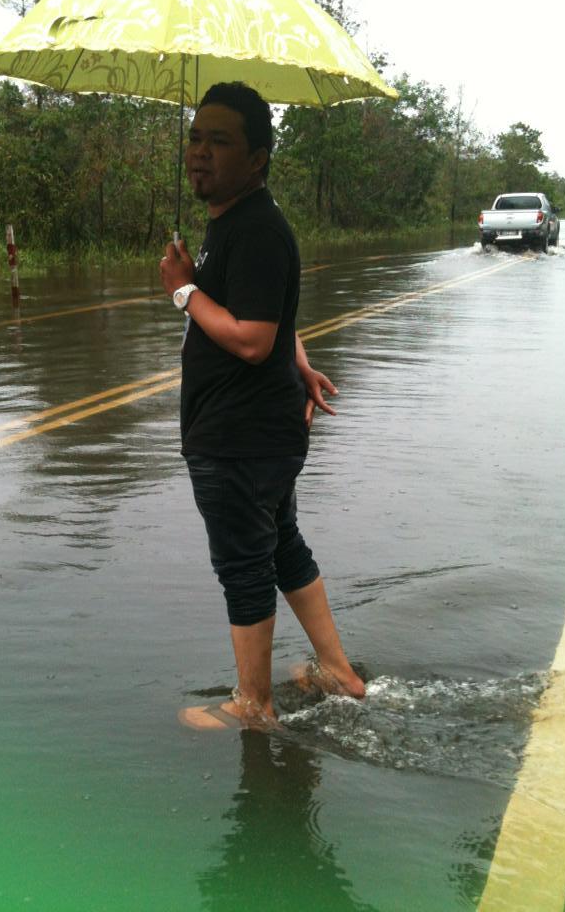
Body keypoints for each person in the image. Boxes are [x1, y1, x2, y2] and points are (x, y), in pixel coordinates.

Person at [159, 82, 365, 731]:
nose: (201, 153)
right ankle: (338, 673)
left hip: (240, 436)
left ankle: (254, 704)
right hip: (257, 429)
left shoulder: (255, 229)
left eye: (220, 141)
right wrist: (294, 355)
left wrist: (184, 290)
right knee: (279, 546)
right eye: (196, 136)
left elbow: (250, 338)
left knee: (244, 562)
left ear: (258, 158)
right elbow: (270, 318)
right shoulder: (234, 223)